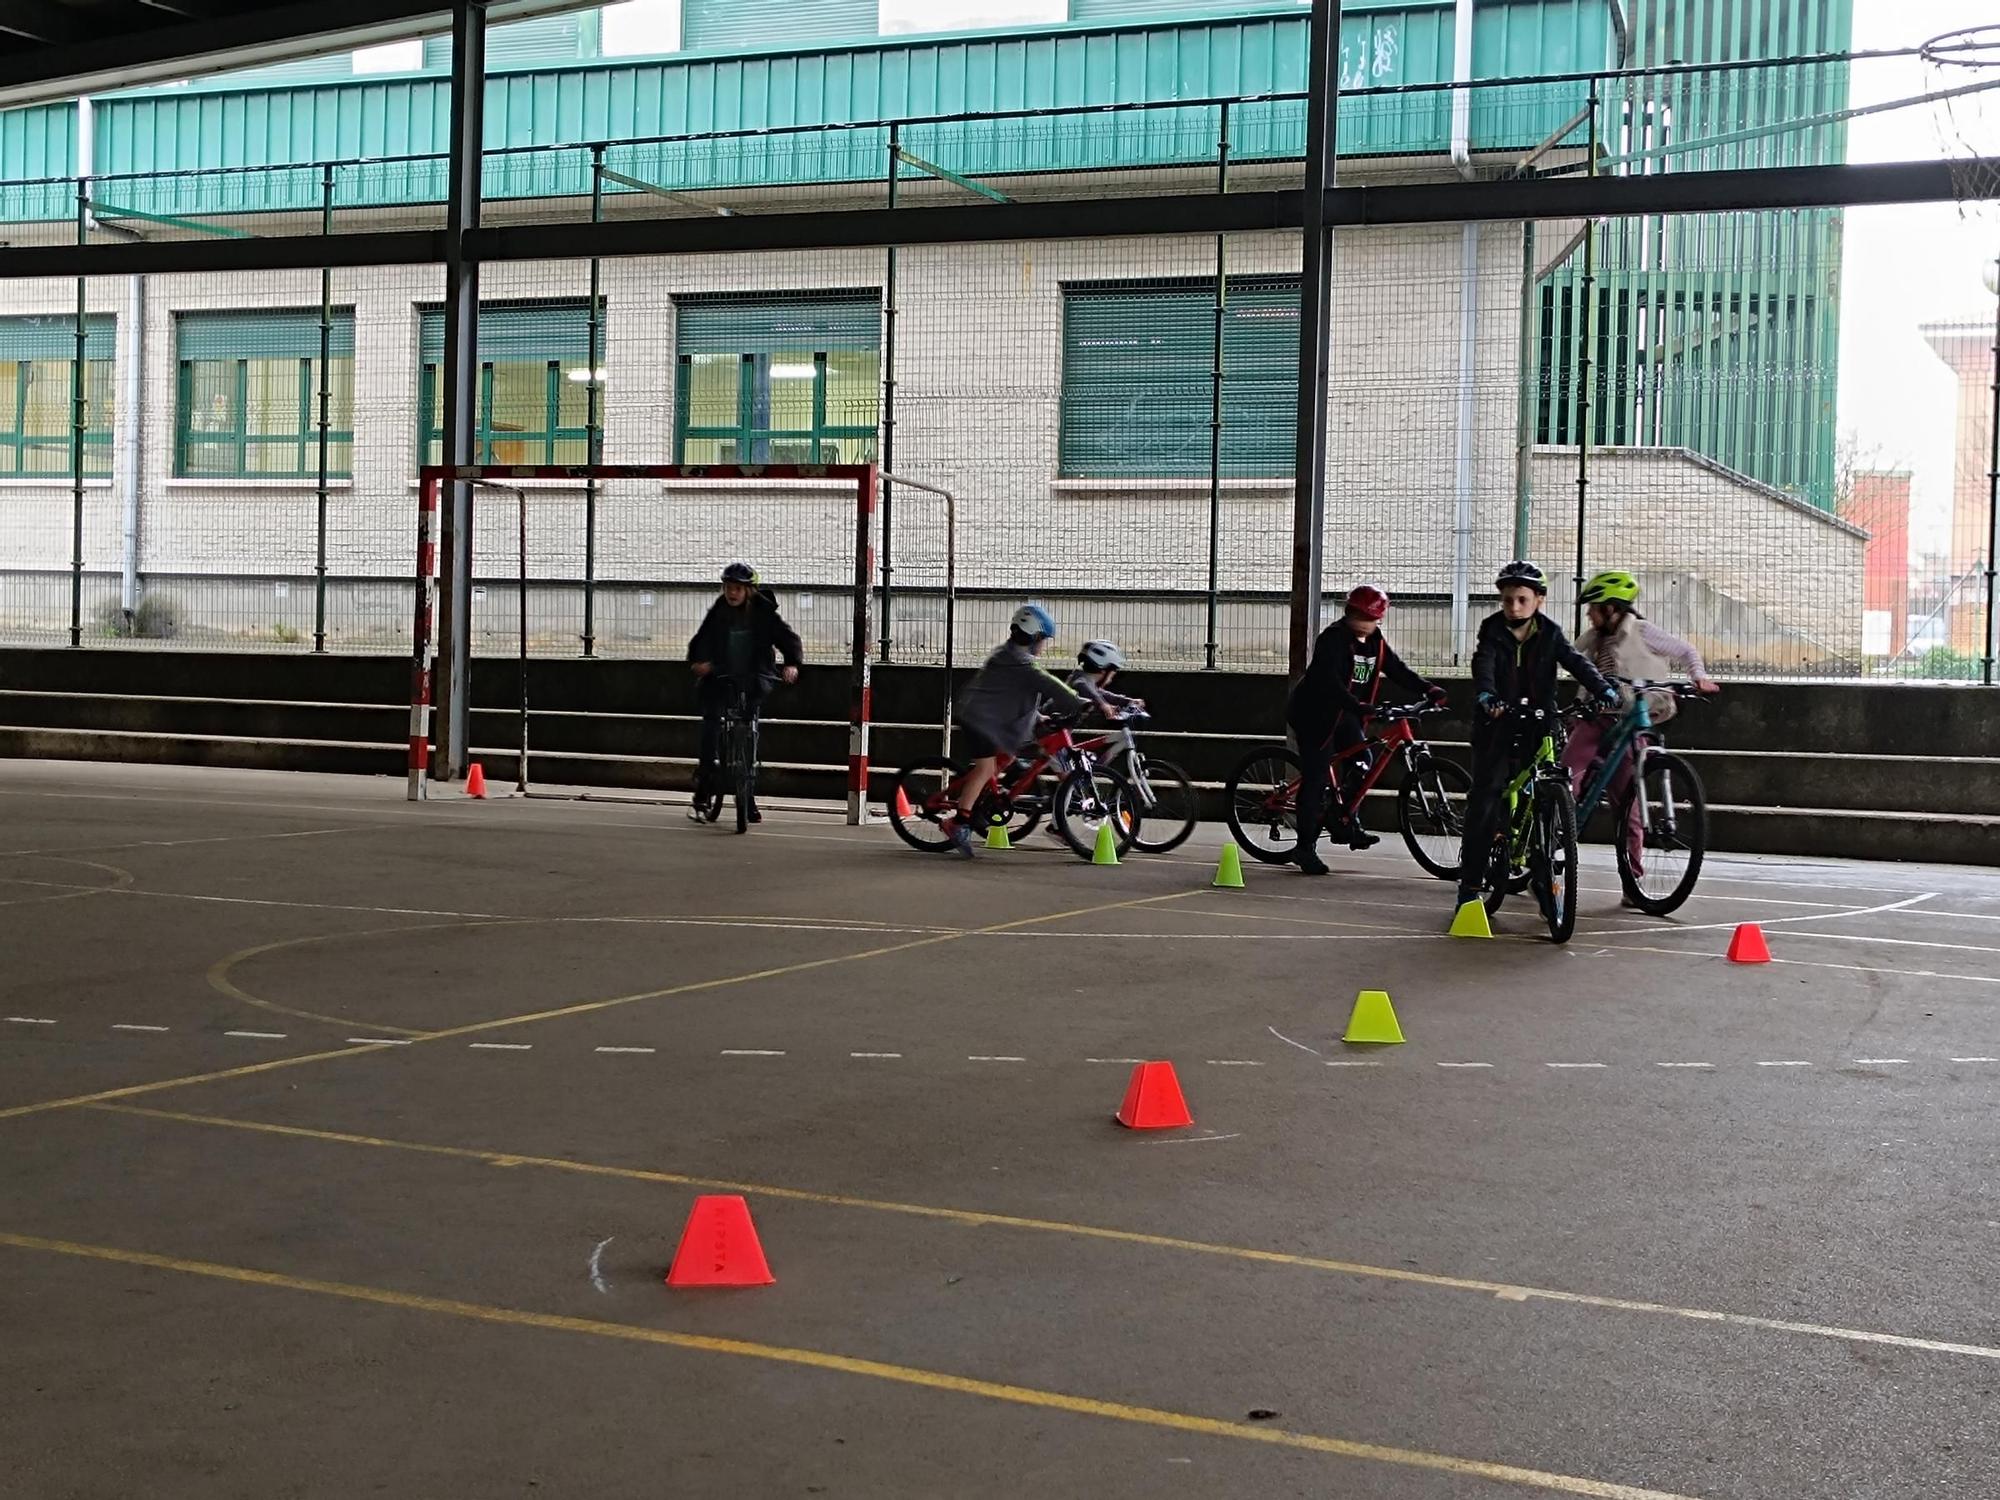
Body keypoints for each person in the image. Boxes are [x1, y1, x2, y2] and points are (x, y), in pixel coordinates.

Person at [1455, 562, 1618, 910]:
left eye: (1522, 600)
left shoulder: (1550, 633)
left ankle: (1543, 878)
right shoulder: (1492, 630)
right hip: (1497, 725)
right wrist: (1487, 696)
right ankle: (1469, 886)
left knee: (1549, 803)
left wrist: (1602, 688)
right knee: (1486, 800)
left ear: (1539, 600)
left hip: (1539, 724)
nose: (1514, 607)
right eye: (1508, 599)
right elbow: (1483, 664)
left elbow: (1576, 661)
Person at [1562, 570, 1720, 895]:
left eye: (1593, 608)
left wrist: (1698, 677)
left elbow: (1686, 651)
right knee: (1567, 777)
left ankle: (1632, 879)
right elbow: (1567, 657)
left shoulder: (1643, 631)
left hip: (1631, 719)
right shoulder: (1592, 639)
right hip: (1595, 720)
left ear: (1612, 608)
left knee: (1628, 805)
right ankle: (1550, 838)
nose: (1589, 615)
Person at [1286, 584, 1447, 876]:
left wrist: (1428, 688)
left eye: (1367, 617)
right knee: (1316, 775)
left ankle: (1346, 820)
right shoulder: (1333, 640)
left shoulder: (1376, 644)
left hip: (1346, 714)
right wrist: (1360, 707)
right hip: (1315, 715)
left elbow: (1397, 670)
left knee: (1363, 761)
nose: (1360, 621)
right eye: (1355, 614)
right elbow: (1329, 683)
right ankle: (1304, 848)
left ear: (1378, 620)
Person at [943, 602, 1089, 857]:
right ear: (1032, 637)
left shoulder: (1012, 657)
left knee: (1007, 757)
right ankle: (958, 822)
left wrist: (1039, 716)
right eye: (1042, 639)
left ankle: (979, 797)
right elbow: (1046, 683)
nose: (1044, 645)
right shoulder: (1017, 662)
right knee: (986, 767)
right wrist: (1077, 701)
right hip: (978, 719)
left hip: (992, 720)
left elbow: (1014, 696)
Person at [686, 562, 801, 823]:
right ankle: (703, 789)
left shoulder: (763, 611)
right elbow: (701, 639)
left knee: (750, 732)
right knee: (711, 727)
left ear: (749, 590)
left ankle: (747, 797)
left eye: (737, 588)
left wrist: (792, 663)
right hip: (720, 677)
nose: (732, 593)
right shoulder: (719, 610)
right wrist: (699, 661)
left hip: (753, 678)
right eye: (728, 588)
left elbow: (786, 637)